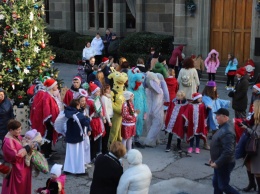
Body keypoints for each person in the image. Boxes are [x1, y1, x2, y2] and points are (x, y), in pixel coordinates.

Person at [208, 108, 239, 194]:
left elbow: (228, 151)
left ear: (225, 117)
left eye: (218, 115)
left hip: (224, 164)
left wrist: (217, 162)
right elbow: (219, 146)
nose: (216, 117)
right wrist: (213, 158)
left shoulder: (227, 131)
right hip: (219, 162)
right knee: (216, 184)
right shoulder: (222, 127)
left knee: (223, 186)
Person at [30, 78, 61, 159]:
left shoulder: (49, 95)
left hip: (50, 121)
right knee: (47, 136)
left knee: (49, 136)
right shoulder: (47, 96)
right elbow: (47, 110)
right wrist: (49, 121)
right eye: (56, 85)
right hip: (48, 122)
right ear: (52, 86)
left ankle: (49, 150)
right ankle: (46, 152)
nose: (57, 86)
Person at [1, 120, 34, 194]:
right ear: (11, 130)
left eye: (20, 129)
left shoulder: (14, 135)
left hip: (21, 168)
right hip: (16, 170)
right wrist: (27, 148)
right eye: (17, 130)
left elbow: (22, 142)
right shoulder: (8, 141)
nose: (20, 131)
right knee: (17, 189)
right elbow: (15, 157)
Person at [63, 99, 90, 174]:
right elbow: (86, 123)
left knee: (69, 154)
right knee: (78, 154)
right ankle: (78, 170)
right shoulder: (79, 114)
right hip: (78, 136)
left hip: (69, 136)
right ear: (77, 106)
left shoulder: (66, 112)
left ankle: (68, 169)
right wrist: (87, 117)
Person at [202, 81, 230, 149]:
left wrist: (226, 102)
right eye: (214, 87)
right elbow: (207, 103)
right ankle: (205, 143)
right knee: (207, 129)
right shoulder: (205, 96)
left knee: (215, 129)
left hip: (215, 114)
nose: (215, 88)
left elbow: (217, 101)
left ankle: (214, 143)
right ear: (210, 88)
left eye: (215, 87)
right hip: (208, 115)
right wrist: (209, 106)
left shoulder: (214, 95)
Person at [240, 100, 260, 193]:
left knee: (257, 171)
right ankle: (252, 184)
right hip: (252, 146)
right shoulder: (255, 118)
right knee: (249, 166)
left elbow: (257, 134)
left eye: (254, 107)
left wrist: (246, 128)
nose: (252, 108)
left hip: (257, 148)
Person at [86, 82, 105, 161]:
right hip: (93, 121)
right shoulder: (90, 101)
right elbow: (87, 112)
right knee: (94, 140)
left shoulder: (96, 99)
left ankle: (96, 154)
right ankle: (92, 156)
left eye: (99, 91)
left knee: (97, 139)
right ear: (93, 92)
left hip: (97, 120)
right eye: (97, 92)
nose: (99, 93)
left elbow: (101, 111)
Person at [101, 84, 113, 154]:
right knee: (105, 136)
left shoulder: (107, 97)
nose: (109, 90)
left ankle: (105, 148)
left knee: (107, 135)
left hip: (110, 116)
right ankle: (104, 150)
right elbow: (105, 110)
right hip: (107, 118)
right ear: (105, 90)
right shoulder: (104, 98)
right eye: (108, 89)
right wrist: (109, 121)